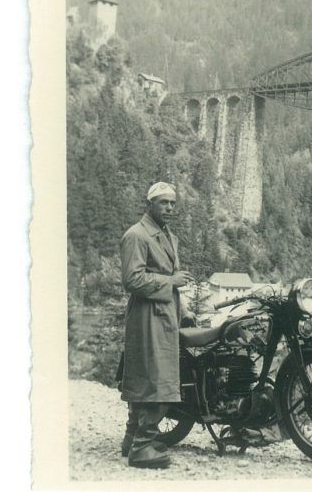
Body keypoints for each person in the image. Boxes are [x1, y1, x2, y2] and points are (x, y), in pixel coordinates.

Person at [119, 181, 196, 469]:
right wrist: (171, 283)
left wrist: (183, 310)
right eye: (163, 202)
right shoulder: (137, 236)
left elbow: (171, 277)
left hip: (164, 313)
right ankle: (142, 449)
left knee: (146, 376)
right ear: (149, 204)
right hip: (146, 315)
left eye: (173, 203)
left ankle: (131, 440)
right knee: (157, 380)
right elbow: (132, 280)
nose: (169, 208)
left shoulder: (167, 236)